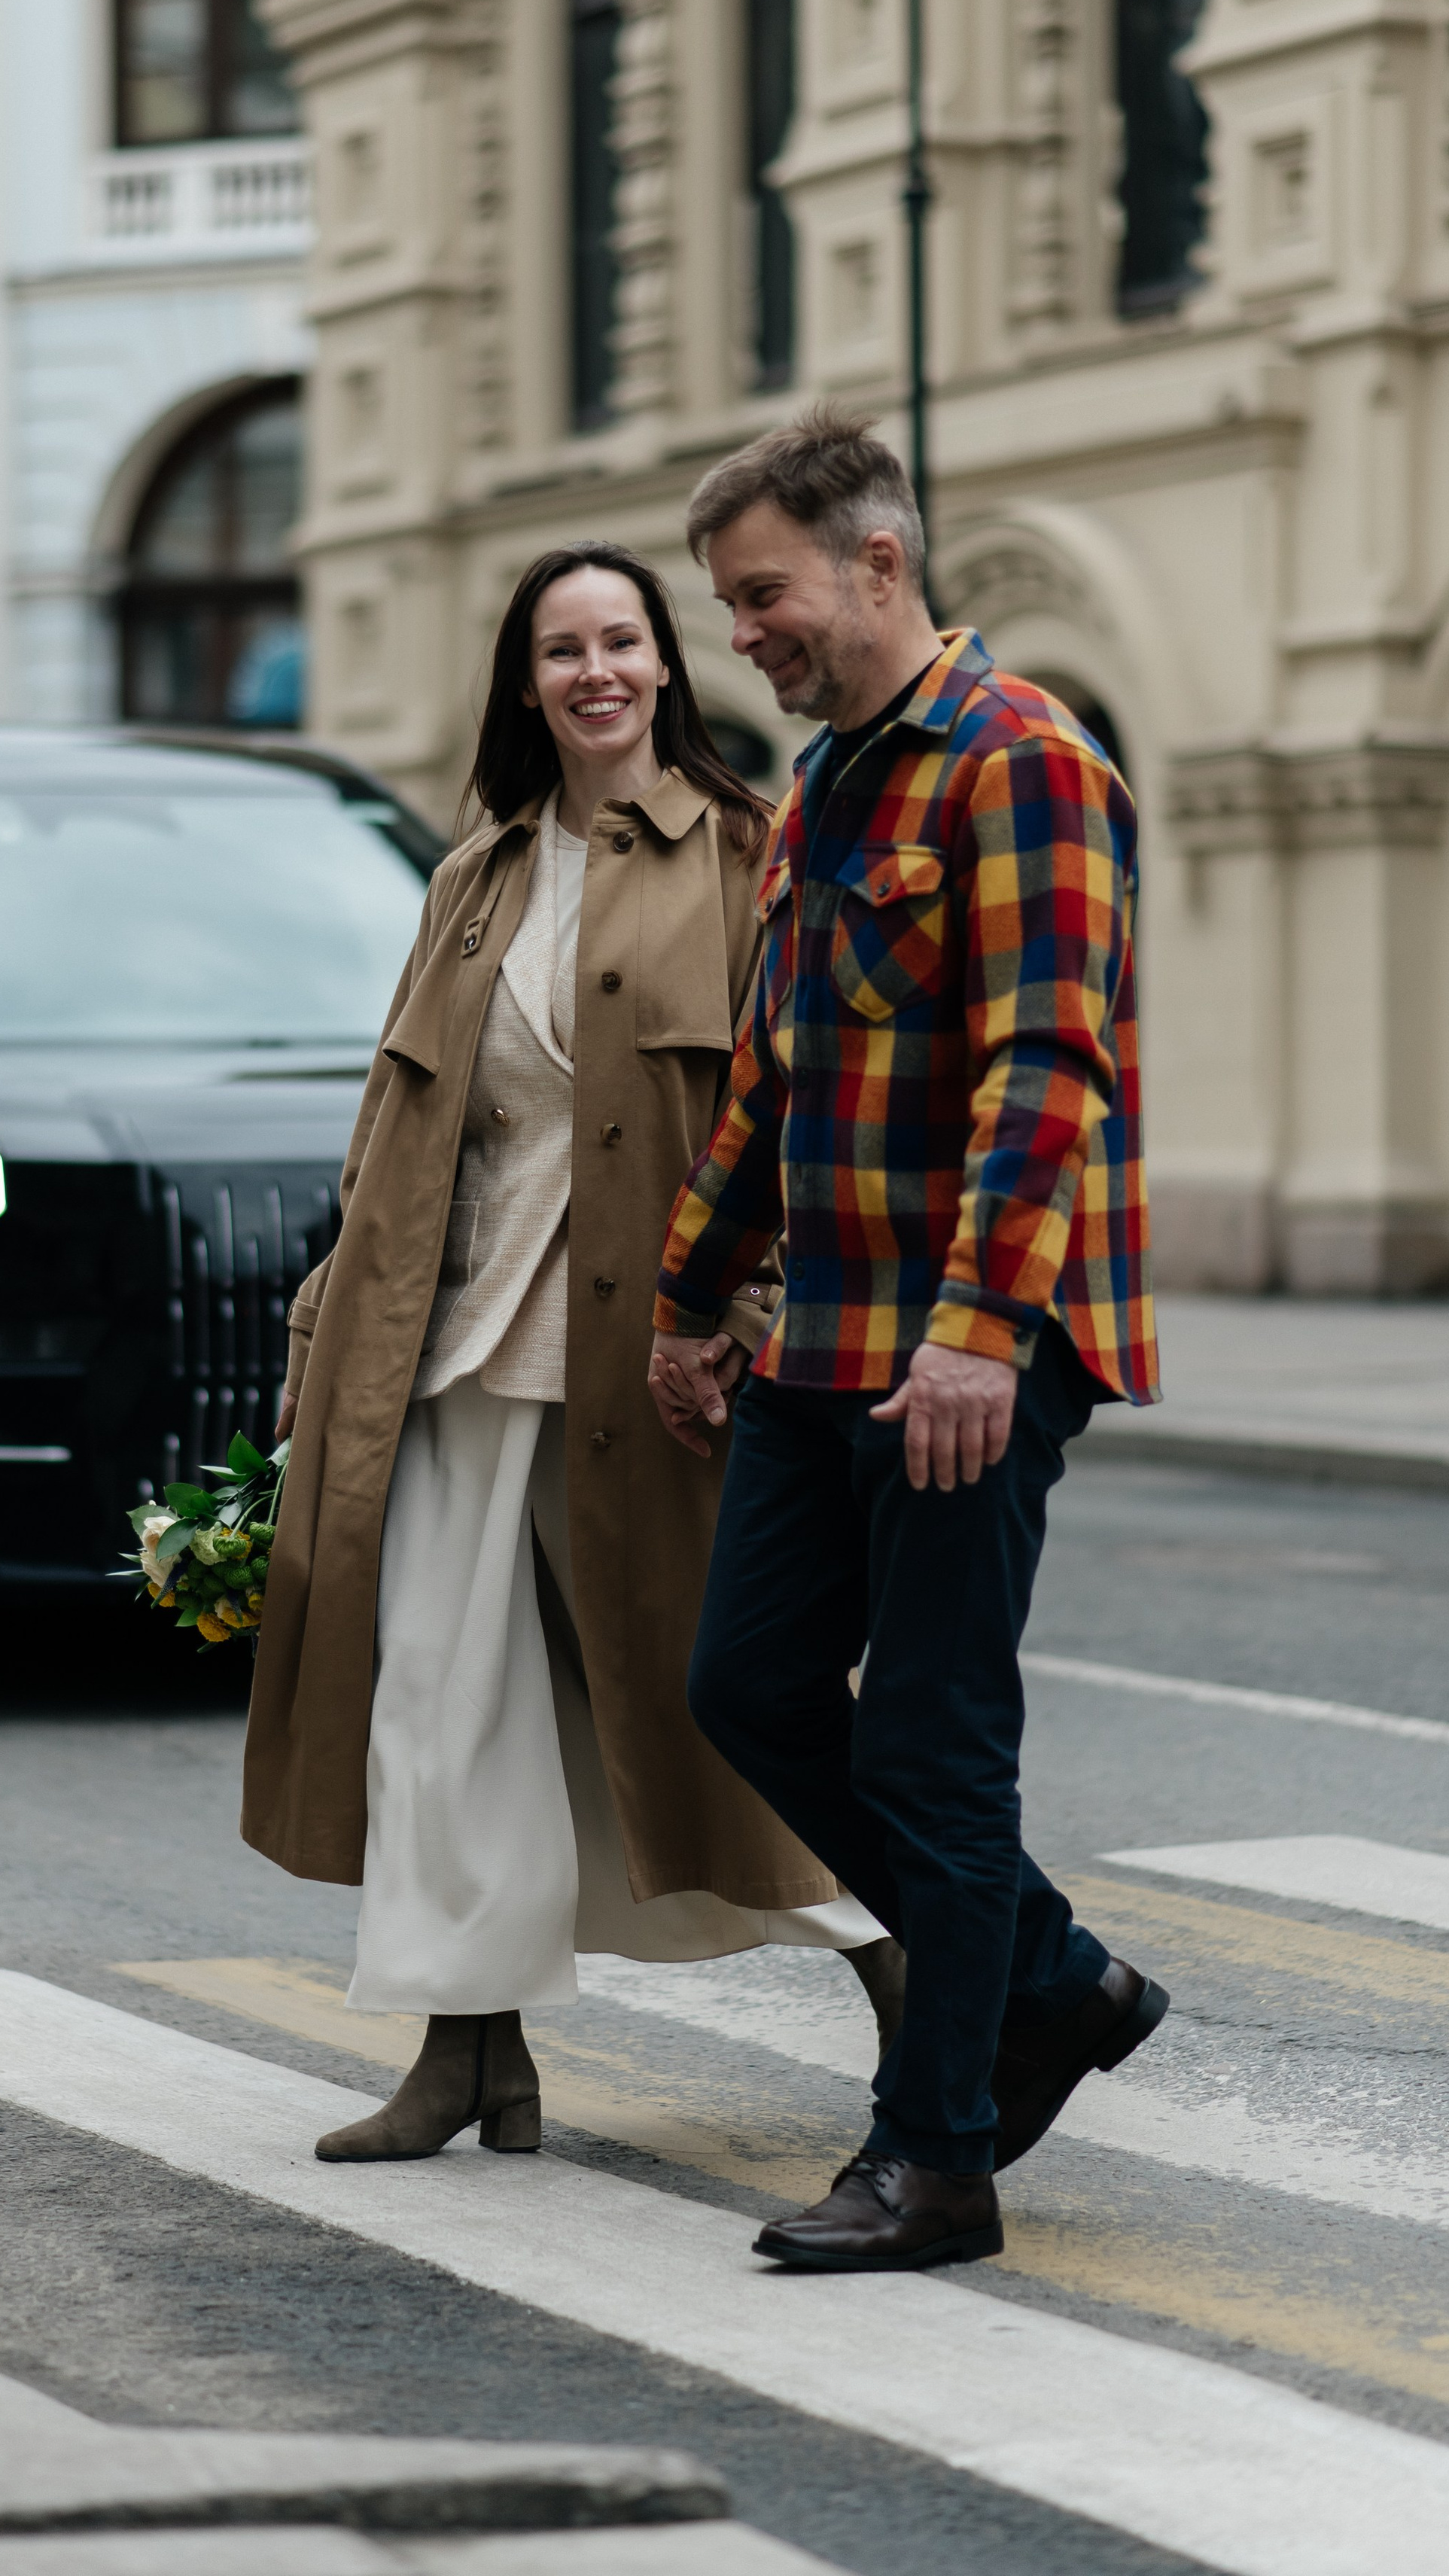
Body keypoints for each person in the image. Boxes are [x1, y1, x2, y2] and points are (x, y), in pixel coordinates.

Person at [241, 539, 906, 2163]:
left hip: (656, 1365)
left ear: (665, 665)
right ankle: (468, 2051)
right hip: (454, 1356)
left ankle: (920, 1975)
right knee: (439, 1707)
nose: (595, 672)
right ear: (525, 684)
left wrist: (756, 1317)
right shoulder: (473, 877)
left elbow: (800, 1116)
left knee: (713, 1704)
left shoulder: (747, 854)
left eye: (621, 641)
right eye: (562, 650)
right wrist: (321, 1333)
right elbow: (393, 1134)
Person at [647, 405, 1166, 2273]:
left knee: (937, 1748)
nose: (741, 638)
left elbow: (1048, 1071)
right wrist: (689, 1298)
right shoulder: (820, 789)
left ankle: (936, 2159)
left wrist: (975, 1336)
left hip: (965, 1346)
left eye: (760, 595)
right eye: (726, 607)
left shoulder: (1021, 763)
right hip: (824, 1333)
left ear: (877, 562)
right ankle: (1050, 1977)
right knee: (746, 1686)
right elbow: (771, 1084)